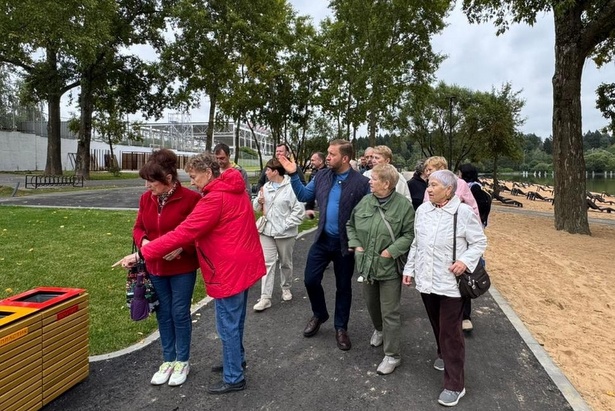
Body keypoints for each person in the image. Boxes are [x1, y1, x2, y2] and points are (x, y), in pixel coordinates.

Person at [114, 152, 266, 395]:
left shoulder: (214, 199)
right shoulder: (233, 189)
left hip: (227, 269)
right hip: (242, 264)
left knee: (227, 324)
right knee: (235, 320)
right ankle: (235, 361)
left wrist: (142, 254)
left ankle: (234, 377)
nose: (192, 182)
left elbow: (184, 232)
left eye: (194, 177)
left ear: (208, 173)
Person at [403, 170, 487, 407]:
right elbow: (417, 242)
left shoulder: (463, 212)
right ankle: (443, 353)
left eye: (434, 185)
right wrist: (409, 269)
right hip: (427, 279)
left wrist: (465, 261)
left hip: (451, 283)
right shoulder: (423, 210)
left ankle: (455, 385)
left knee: (450, 332)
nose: (428, 189)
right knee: (436, 324)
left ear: (449, 190)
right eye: (428, 184)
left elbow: (479, 241)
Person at [278, 139, 369, 351]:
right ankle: (320, 314)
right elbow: (304, 195)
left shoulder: (361, 183)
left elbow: (368, 213)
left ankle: (341, 327)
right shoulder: (321, 176)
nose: (327, 157)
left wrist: (361, 242)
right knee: (310, 280)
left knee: (343, 287)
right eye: (327, 153)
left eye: (332, 154)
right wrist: (293, 174)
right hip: (322, 240)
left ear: (344, 158)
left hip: (345, 244)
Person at [133, 149, 202, 387]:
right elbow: (138, 227)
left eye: (151, 181)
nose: (147, 186)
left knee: (179, 312)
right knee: (163, 312)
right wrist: (144, 243)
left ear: (168, 179)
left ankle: (182, 360)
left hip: (181, 268)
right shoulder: (146, 199)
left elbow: (200, 233)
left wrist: (182, 247)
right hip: (156, 267)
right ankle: (168, 359)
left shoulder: (191, 199)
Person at [346, 164, 414, 375]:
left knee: (390, 312)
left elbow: (410, 234)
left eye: (374, 179)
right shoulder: (366, 201)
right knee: (371, 304)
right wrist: (356, 244)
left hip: (389, 267)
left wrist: (390, 251)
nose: (370, 181)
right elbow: (350, 225)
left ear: (386, 183)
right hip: (367, 265)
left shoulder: (403, 206)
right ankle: (379, 329)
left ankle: (392, 355)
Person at [252, 158, 305, 311]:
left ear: (275, 172)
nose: (265, 173)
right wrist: (259, 201)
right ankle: (265, 297)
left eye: (268, 170)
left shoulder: (291, 187)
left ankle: (286, 287)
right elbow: (256, 208)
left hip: (285, 233)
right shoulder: (265, 187)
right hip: (267, 231)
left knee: (285, 263)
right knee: (267, 264)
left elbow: (299, 212)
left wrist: (284, 225)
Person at [457, 163, 491, 332]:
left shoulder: (468, 193)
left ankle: (465, 316)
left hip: (467, 238)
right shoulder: (484, 193)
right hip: (477, 232)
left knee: (465, 276)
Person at [305, 151, 325, 219]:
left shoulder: (328, 174)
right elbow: (311, 192)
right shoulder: (313, 173)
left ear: (320, 161)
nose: (311, 162)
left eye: (313, 160)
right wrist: (309, 207)